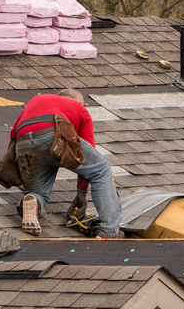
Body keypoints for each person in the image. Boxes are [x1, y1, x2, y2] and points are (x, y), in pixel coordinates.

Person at [10, 88, 122, 238]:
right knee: (101, 170)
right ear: (78, 102)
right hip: (54, 133)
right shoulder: (80, 110)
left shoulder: (37, 99)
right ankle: (109, 232)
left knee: (39, 191)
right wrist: (81, 193)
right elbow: (85, 160)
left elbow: (13, 134)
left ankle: (33, 201)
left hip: (23, 142)